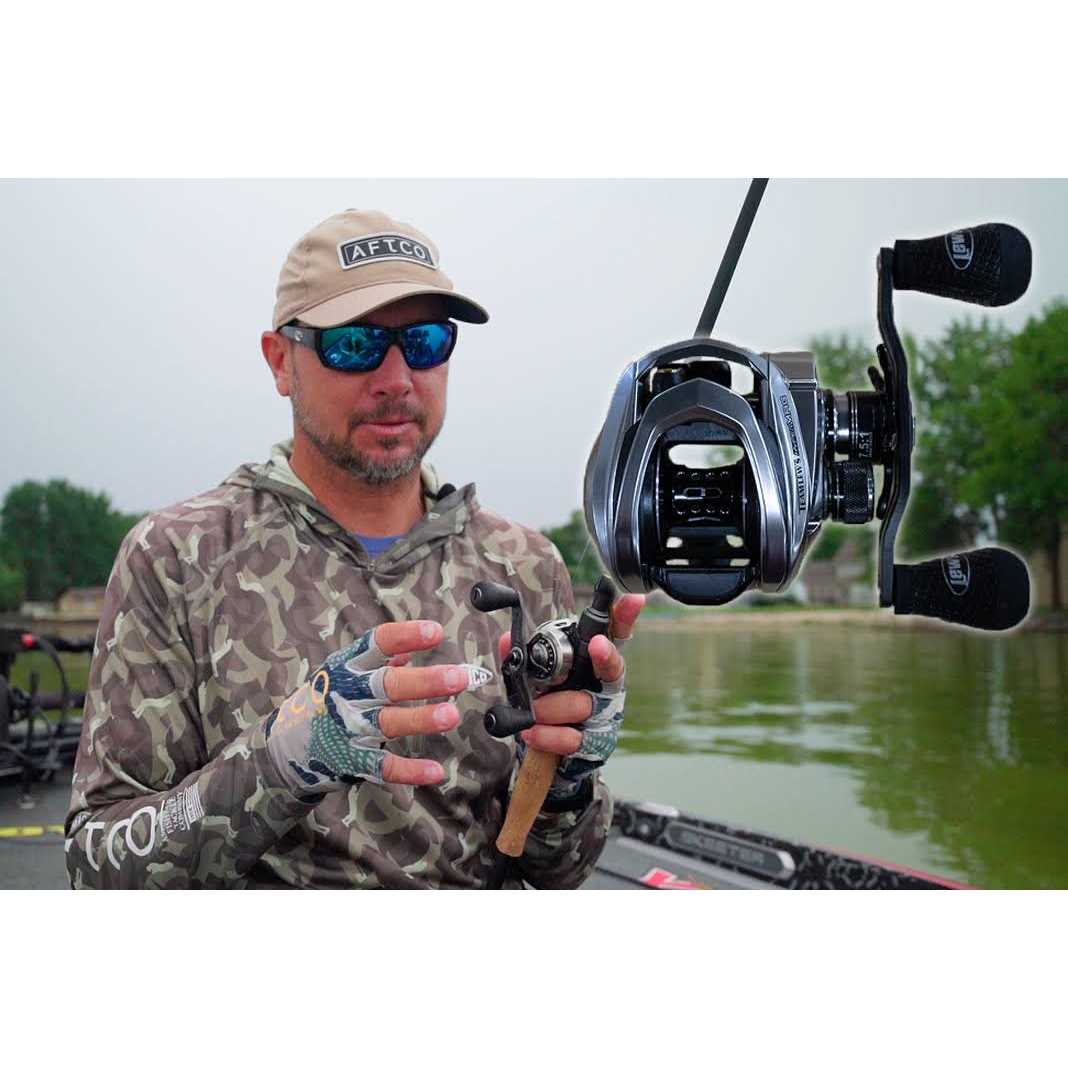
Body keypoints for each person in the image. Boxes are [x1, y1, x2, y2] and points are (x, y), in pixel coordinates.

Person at [64, 209, 644, 889]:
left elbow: (559, 870)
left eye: (425, 341)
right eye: (354, 344)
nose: (397, 377)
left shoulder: (525, 564)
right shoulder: (175, 557)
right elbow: (97, 866)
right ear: (281, 361)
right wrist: (278, 764)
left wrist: (569, 779)